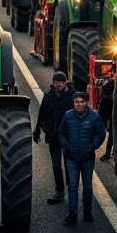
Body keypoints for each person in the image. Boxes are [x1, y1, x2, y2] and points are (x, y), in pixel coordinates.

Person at [58, 91, 106, 225]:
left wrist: (92, 146)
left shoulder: (94, 117)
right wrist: (66, 145)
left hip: (87, 158)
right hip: (72, 157)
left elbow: (100, 133)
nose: (79, 104)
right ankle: (72, 213)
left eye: (81, 102)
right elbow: (61, 133)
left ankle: (87, 211)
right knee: (72, 186)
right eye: (76, 102)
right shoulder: (68, 116)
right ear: (73, 103)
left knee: (88, 186)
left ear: (86, 103)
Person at [34, 71, 75, 204]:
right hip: (53, 135)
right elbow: (42, 115)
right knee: (56, 164)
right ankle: (59, 190)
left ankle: (71, 188)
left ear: (66, 83)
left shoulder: (72, 97)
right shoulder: (48, 97)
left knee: (70, 163)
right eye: (56, 82)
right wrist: (38, 131)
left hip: (69, 136)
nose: (59, 85)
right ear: (53, 83)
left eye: (61, 82)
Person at [98, 76, 115, 162]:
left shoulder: (105, 100)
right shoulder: (106, 100)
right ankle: (108, 153)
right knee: (113, 132)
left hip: (112, 117)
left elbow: (102, 114)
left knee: (113, 133)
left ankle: (108, 153)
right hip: (112, 117)